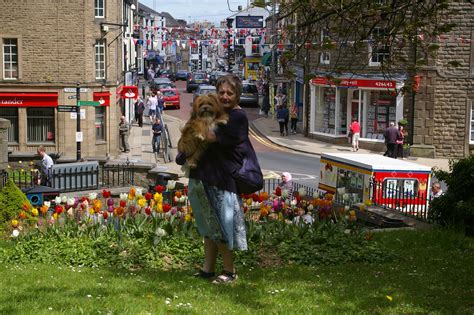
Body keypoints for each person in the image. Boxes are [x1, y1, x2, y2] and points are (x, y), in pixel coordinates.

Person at [176, 75, 249, 284]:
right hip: (200, 176)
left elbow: (209, 137)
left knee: (221, 226)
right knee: (208, 228)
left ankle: (229, 271)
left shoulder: (236, 117)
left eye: (230, 93)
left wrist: (193, 129)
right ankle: (207, 269)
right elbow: (189, 140)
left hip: (221, 179)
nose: (225, 96)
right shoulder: (214, 113)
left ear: (237, 96)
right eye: (222, 92)